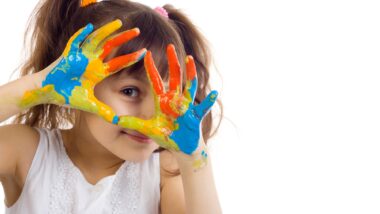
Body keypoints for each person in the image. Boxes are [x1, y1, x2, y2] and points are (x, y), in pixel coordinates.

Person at [0, 0, 223, 213]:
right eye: (130, 91)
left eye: (164, 95)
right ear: (77, 83)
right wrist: (38, 85)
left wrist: (194, 158)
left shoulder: (165, 171)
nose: (150, 113)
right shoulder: (27, 152)